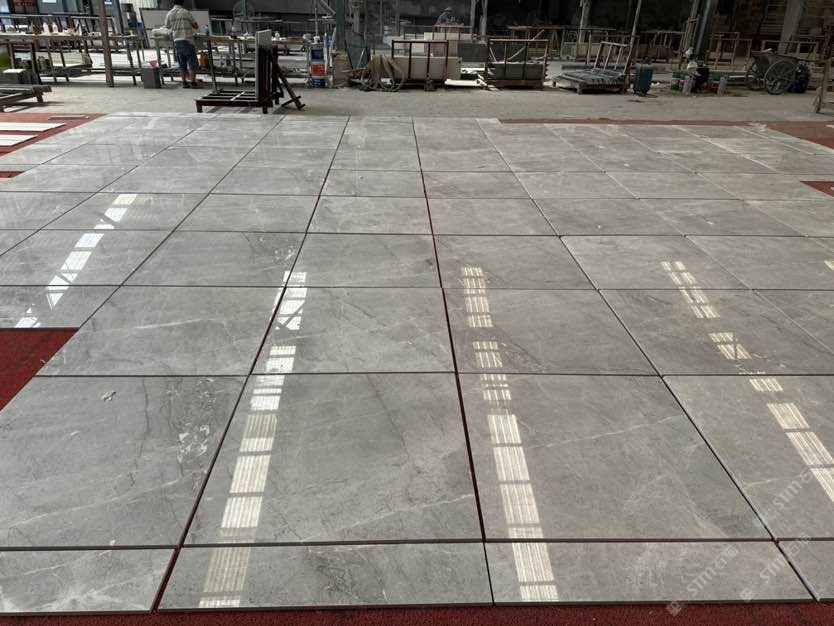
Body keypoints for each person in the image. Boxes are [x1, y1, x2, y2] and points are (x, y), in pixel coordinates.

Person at [164, 2, 200, 88]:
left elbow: (167, 26)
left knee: (182, 63)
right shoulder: (186, 12)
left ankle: (184, 82)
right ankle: (193, 83)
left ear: (173, 3)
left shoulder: (169, 13)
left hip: (177, 41)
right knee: (192, 63)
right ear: (182, 3)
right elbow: (195, 26)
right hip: (187, 41)